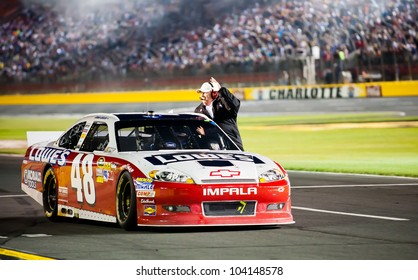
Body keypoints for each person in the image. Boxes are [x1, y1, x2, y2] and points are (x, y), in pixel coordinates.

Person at [194, 77, 244, 150]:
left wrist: (221, 91)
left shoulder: (224, 105)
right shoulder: (198, 111)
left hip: (233, 145)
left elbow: (234, 106)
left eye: (205, 92)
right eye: (201, 93)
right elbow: (199, 131)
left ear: (214, 93)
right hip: (212, 150)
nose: (202, 95)